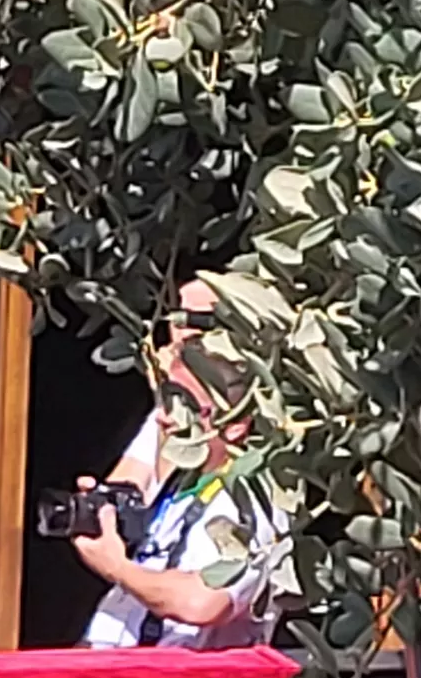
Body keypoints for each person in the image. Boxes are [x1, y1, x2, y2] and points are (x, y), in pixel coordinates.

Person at [74, 278, 295, 650]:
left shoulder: (259, 491)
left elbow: (202, 601)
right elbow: (132, 482)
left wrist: (119, 568)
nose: (178, 328)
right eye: (175, 315)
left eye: (196, 320)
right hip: (103, 667)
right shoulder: (183, 445)